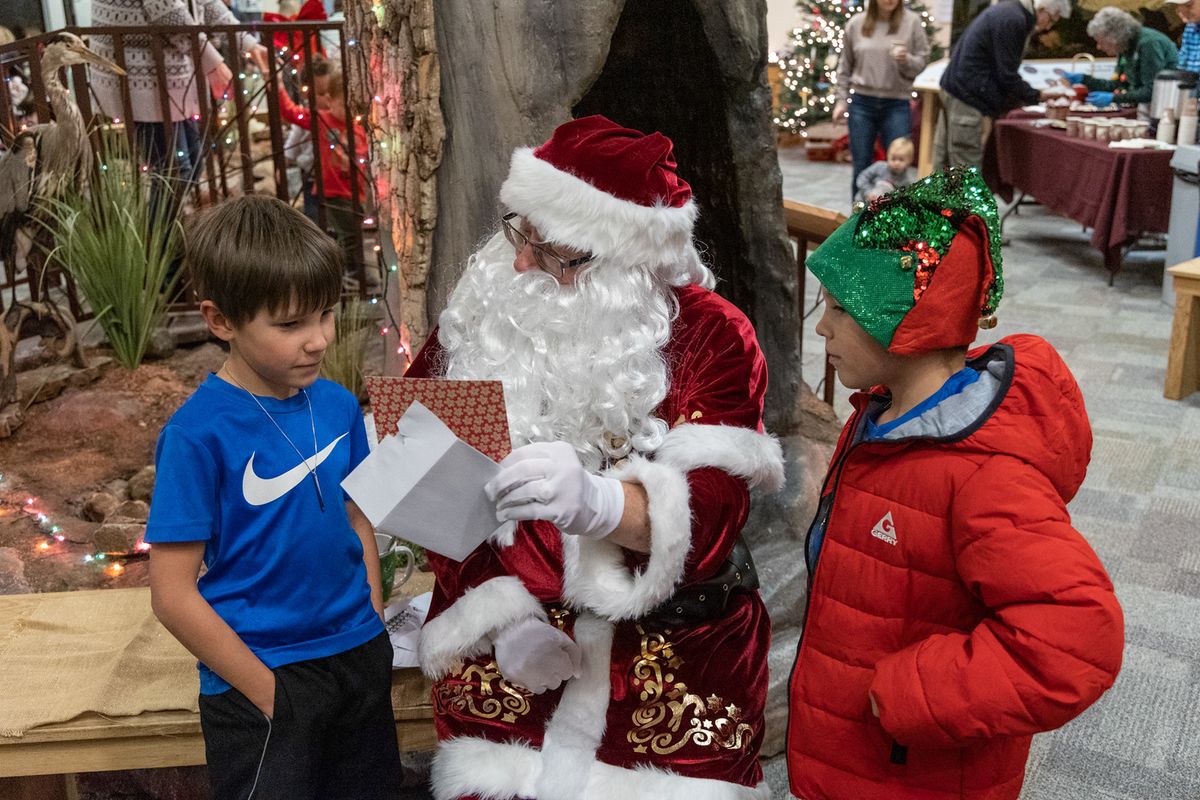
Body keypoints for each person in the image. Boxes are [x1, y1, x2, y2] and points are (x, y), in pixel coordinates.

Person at [406, 115, 784, 800]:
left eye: (557, 254)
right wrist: (503, 612)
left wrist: (603, 504)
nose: (521, 261)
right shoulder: (481, 313)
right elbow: (419, 475)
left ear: (630, 264)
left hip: (669, 669)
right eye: (520, 230)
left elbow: (713, 515)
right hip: (508, 668)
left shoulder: (711, 337)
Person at [786, 167, 1124, 800]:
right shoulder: (880, 418)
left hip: (915, 774)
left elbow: (1078, 637)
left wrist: (911, 696)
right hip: (854, 759)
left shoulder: (984, 477)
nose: (821, 328)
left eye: (839, 309)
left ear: (910, 322)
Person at [145, 195, 402, 800]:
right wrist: (267, 693)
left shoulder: (339, 405)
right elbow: (171, 595)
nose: (318, 340)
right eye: (290, 325)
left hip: (358, 658)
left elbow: (356, 520)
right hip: (263, 677)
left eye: (326, 315)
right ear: (221, 321)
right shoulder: (194, 434)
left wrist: (374, 624)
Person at [90, 0, 269, 182]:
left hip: (168, 77)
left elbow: (206, 3)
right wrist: (212, 64)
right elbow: (165, 9)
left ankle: (172, 210)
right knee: (174, 172)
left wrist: (248, 44)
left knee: (191, 166)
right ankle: (166, 211)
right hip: (141, 77)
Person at [935, 0, 1072, 169]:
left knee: (944, 165)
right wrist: (1036, 96)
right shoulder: (1015, 20)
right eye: (1051, 19)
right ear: (1042, 9)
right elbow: (1006, 74)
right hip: (968, 97)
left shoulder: (1009, 10)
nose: (1048, 27)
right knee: (965, 167)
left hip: (955, 89)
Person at [275, 66, 374, 289]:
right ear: (330, 100)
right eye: (343, 105)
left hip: (356, 191)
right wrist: (278, 85)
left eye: (352, 107)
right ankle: (357, 276)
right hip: (333, 190)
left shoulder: (360, 127)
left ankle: (345, 274)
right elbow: (291, 112)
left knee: (351, 234)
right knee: (350, 235)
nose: (348, 112)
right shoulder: (323, 120)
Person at [832, 0, 929, 198]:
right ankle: (858, 222)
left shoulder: (912, 22)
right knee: (861, 165)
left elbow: (922, 60)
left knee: (899, 165)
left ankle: (895, 222)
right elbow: (845, 67)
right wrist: (841, 101)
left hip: (896, 103)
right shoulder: (856, 24)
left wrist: (907, 60)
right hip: (861, 103)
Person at [1061, 7, 1178, 110]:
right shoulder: (1124, 45)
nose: (1098, 47)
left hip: (1162, 108)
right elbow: (1116, 85)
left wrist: (1114, 98)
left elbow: (1151, 90)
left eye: (1100, 41)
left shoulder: (1149, 44)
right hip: (1142, 107)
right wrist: (1085, 79)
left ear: (1114, 37)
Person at [853, 136, 916, 203]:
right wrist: (868, 192)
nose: (896, 163)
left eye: (901, 160)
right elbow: (862, 177)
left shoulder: (906, 182)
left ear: (909, 160)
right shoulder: (879, 166)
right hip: (862, 201)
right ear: (888, 156)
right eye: (893, 159)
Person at [1168, 0, 1200, 74]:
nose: (1183, 18)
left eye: (1188, 5)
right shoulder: (1191, 27)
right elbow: (1182, 62)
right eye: (1178, 9)